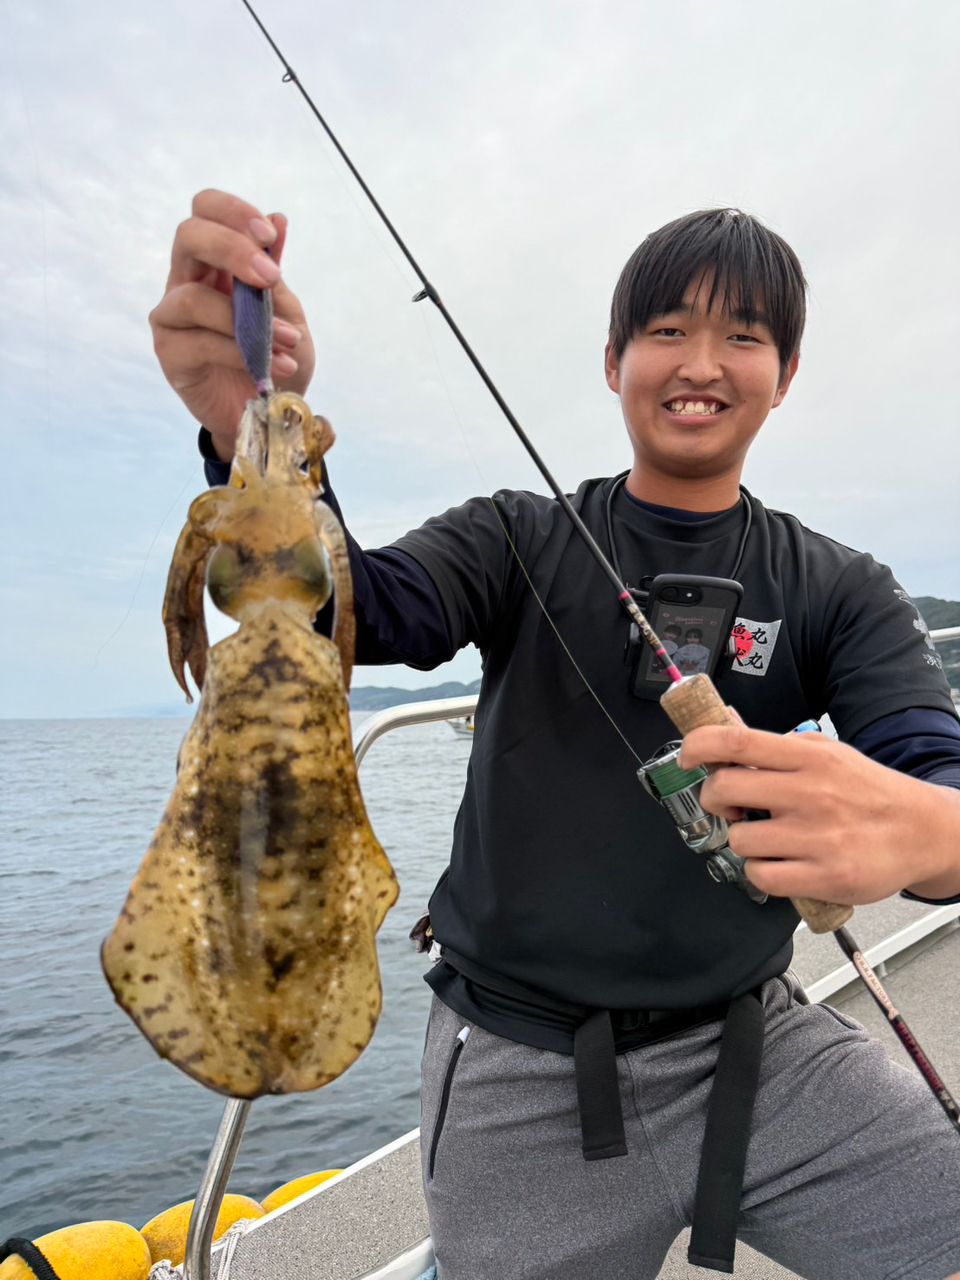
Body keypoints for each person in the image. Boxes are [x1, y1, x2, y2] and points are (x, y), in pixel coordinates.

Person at [151, 193, 960, 1280]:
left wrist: (923, 828)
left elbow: (935, 769)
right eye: (667, 329)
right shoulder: (515, 535)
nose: (701, 363)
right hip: (521, 1069)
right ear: (614, 360)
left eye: (744, 336)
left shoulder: (838, 587)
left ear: (787, 373)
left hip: (757, 1044)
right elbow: (350, 608)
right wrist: (254, 432)